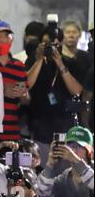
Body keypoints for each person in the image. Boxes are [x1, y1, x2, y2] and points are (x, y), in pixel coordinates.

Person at [27, 25, 85, 164]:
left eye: (56, 44)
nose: (52, 47)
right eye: (47, 44)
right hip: (40, 124)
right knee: (43, 168)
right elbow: (26, 84)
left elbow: (76, 91)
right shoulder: (32, 62)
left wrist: (60, 64)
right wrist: (39, 59)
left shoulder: (70, 62)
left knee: (64, 170)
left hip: (65, 125)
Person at [37, 126, 94, 197]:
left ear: (89, 151)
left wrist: (76, 160)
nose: (73, 151)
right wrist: (49, 165)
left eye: (79, 146)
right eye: (70, 146)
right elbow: (43, 194)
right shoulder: (63, 178)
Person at [0, 20, 29, 142]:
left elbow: (26, 101)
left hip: (12, 130)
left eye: (7, 36)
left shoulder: (19, 65)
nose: (3, 40)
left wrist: (23, 94)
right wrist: (1, 90)